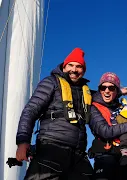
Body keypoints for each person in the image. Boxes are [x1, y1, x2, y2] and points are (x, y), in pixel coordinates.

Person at [15, 47, 94, 179]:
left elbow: (104, 96)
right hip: (51, 147)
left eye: (79, 66)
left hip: (78, 154)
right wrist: (23, 141)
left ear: (83, 71)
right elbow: (30, 111)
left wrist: (118, 91)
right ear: (64, 66)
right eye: (71, 65)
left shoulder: (85, 92)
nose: (74, 70)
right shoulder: (51, 82)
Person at [88, 72, 127, 180]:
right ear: (99, 90)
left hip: (126, 158)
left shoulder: (123, 108)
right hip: (106, 157)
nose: (107, 91)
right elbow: (105, 131)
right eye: (103, 87)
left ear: (116, 90)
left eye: (111, 88)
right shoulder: (94, 107)